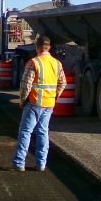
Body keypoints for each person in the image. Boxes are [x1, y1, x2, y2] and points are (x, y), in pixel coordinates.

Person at [11, 35, 67, 171]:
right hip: (49, 104)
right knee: (43, 132)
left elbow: (26, 85)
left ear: (37, 48)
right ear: (49, 48)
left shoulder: (34, 62)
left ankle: (19, 163)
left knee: (26, 132)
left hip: (35, 102)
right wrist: (54, 96)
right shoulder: (57, 63)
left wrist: (22, 100)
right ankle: (41, 164)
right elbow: (63, 82)